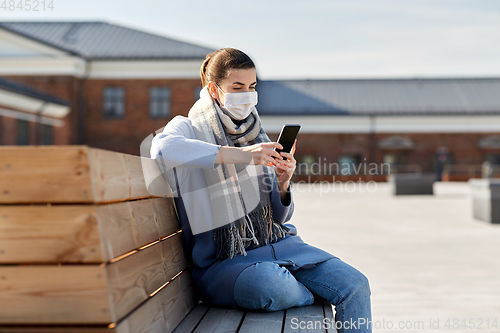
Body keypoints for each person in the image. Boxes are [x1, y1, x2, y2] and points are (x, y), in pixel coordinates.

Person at [150, 48, 372, 333]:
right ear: (214, 89)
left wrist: (282, 182)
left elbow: (279, 218)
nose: (247, 94)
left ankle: (306, 289)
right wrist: (240, 155)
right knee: (271, 286)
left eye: (252, 87)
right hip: (224, 262)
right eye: (237, 87)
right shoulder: (189, 128)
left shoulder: (256, 133)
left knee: (355, 284)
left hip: (280, 247)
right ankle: (312, 294)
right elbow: (161, 147)